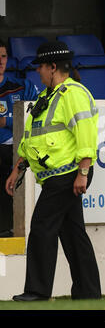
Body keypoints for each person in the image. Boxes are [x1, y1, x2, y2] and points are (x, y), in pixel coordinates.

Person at [6, 41, 101, 301]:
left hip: (68, 172)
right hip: (60, 175)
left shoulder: (72, 94)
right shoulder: (46, 96)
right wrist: (19, 168)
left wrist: (83, 171)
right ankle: (88, 292)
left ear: (53, 67)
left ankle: (37, 291)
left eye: (41, 67)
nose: (38, 72)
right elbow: (32, 138)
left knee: (41, 227)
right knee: (72, 234)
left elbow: (86, 134)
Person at [0, 38, 38, 237]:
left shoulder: (21, 86)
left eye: (4, 56)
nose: (1, 61)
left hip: (14, 149)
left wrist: (6, 121)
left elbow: (36, 114)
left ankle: (9, 229)